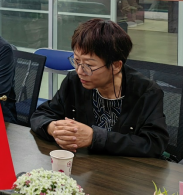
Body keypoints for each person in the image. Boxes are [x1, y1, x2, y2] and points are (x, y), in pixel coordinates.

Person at [31, 19, 169, 158]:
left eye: (89, 66)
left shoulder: (146, 92)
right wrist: (54, 129)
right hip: (84, 165)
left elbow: (154, 144)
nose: (80, 71)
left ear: (116, 66)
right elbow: (41, 115)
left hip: (126, 168)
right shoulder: (74, 81)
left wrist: (94, 137)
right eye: (77, 61)